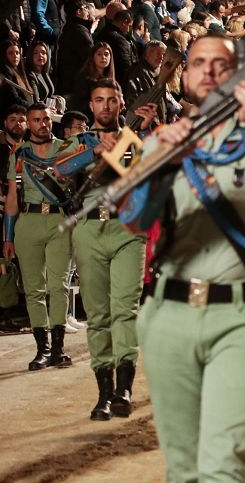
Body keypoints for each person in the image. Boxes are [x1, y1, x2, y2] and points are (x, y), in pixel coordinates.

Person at [117, 35, 245, 481]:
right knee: (182, 469)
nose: (210, 70)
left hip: (239, 314)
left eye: (222, 63)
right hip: (167, 314)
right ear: (185, 76)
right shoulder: (157, 141)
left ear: (238, 76)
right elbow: (133, 219)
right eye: (198, 62)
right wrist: (158, 162)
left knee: (223, 467)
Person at [54, 80, 156, 421]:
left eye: (113, 100)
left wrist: (140, 136)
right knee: (97, 316)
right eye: (99, 100)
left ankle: (124, 389)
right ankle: (104, 394)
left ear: (122, 103)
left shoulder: (134, 138)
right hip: (88, 231)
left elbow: (147, 174)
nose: (106, 106)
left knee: (124, 310)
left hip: (127, 228)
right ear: (92, 105)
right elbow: (59, 171)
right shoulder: (77, 141)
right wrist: (93, 152)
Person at [4, 103, 74, 371]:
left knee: (59, 285)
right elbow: (12, 198)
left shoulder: (66, 149)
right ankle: (42, 350)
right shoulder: (19, 154)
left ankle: (58, 348)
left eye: (46, 119)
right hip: (28, 221)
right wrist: (8, 237)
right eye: (36, 120)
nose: (43, 124)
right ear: (28, 124)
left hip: (59, 219)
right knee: (34, 289)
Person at [0, 105, 27, 332]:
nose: (17, 123)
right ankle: (4, 313)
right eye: (12, 119)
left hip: (26, 211)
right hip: (4, 210)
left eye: (21, 119)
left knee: (18, 260)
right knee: (3, 263)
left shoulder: (29, 150)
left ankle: (17, 310)